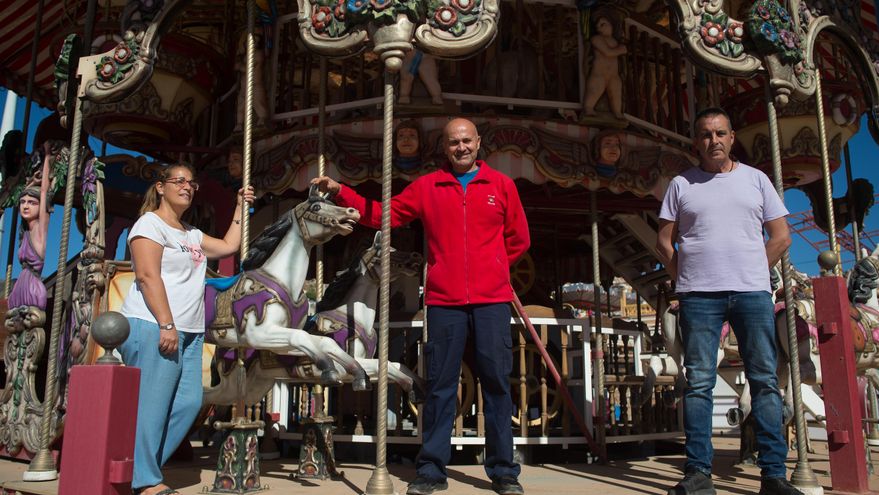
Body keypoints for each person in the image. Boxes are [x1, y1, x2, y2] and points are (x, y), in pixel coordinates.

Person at [312, 118, 530, 495]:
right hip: (444, 302)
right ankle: (431, 470)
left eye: (466, 141)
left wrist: (491, 270)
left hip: (492, 301)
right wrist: (341, 192)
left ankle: (503, 472)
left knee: (497, 385)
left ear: (478, 143)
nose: (460, 147)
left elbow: (519, 240)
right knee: (441, 387)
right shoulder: (428, 187)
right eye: (453, 142)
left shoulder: (501, 186)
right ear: (444, 148)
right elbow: (382, 214)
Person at [656, 107, 800, 495]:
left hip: (751, 293)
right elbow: (665, 241)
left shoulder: (756, 180)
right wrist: (684, 278)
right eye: (705, 134)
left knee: (765, 381)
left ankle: (773, 474)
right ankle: (698, 473)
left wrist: (753, 270)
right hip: (699, 296)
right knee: (699, 382)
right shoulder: (681, 184)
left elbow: (781, 235)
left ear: (732, 137)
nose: (713, 141)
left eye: (720, 133)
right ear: (696, 141)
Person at [119, 163, 254, 495]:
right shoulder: (148, 225)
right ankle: (146, 480)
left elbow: (227, 246)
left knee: (190, 403)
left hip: (189, 332)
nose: (186, 186)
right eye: (178, 181)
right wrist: (167, 323)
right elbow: (147, 276)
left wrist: (240, 207)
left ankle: (138, 469)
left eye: (191, 183)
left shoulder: (191, 234)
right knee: (154, 404)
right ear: (161, 187)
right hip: (155, 324)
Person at [6, 143, 52, 323]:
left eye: (31, 203)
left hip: (32, 285)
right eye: (23, 202)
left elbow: (44, 191)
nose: (25, 205)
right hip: (21, 285)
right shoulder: (25, 233)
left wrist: (47, 157)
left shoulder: (40, 228)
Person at [583, 14, 627, 119]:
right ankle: (588, 108)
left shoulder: (615, 41)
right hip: (599, 73)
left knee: (616, 93)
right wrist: (621, 49)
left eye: (603, 24)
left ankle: (617, 112)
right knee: (595, 90)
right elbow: (608, 52)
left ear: (612, 25)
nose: (599, 28)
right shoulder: (597, 39)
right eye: (597, 26)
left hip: (613, 75)